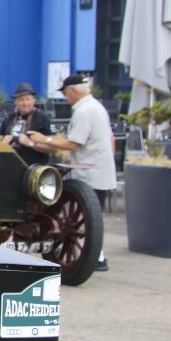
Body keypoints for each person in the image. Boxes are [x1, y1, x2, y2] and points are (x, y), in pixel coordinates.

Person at [25, 74, 114, 272]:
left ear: (72, 91)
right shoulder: (97, 107)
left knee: (89, 218)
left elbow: (74, 143)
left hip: (88, 172)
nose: (66, 98)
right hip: (100, 168)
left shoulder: (83, 111)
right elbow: (111, 139)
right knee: (94, 216)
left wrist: (44, 139)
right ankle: (98, 256)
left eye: (66, 93)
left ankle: (96, 257)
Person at [0, 82, 53, 165]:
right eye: (21, 100)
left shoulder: (42, 118)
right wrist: (3, 144)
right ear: (15, 102)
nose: (25, 103)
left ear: (33, 100)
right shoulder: (9, 118)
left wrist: (30, 143)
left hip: (33, 168)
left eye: (28, 99)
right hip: (9, 165)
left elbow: (53, 149)